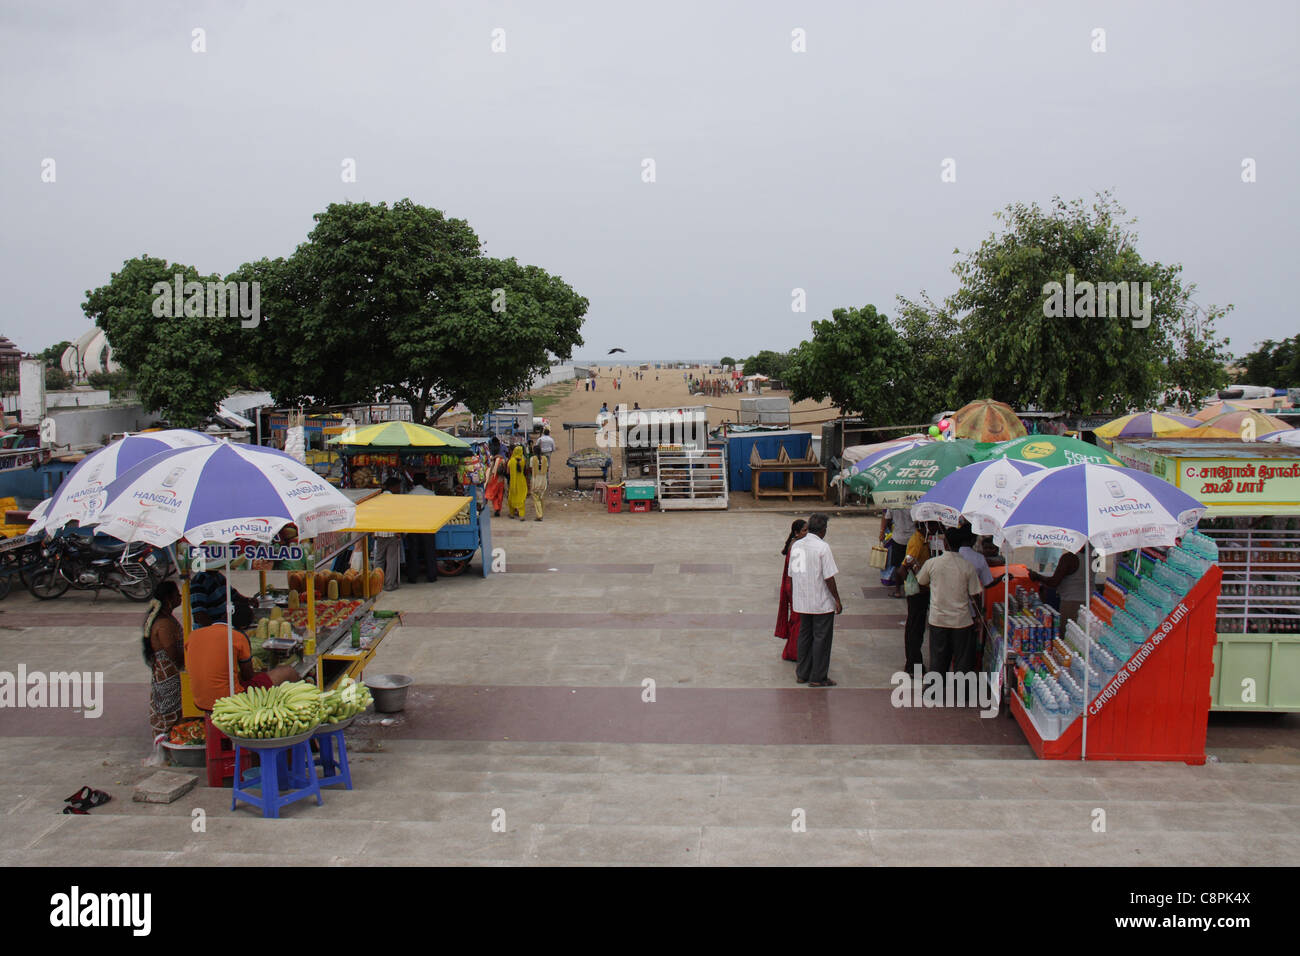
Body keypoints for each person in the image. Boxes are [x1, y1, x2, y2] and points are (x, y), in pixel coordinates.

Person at [185, 611, 299, 712]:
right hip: (231, 699)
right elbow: (248, 676)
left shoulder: (193, 635)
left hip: (200, 701)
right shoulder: (237, 636)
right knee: (288, 672)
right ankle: (294, 712)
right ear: (243, 627)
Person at [916, 526, 985, 681]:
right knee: (962, 660)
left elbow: (921, 582)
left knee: (938, 658)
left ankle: (934, 690)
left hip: (938, 619)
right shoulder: (967, 567)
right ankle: (961, 692)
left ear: (945, 544)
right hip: (961, 621)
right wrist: (978, 617)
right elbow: (975, 595)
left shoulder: (932, 563)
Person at [790, 512, 843, 687]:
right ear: (823, 530)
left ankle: (802, 673)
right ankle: (818, 677)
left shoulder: (796, 545)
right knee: (822, 638)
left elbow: (792, 574)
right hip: (820, 601)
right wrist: (836, 599)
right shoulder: (822, 547)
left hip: (802, 600)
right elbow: (829, 577)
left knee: (804, 636)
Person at [143, 580, 184, 736]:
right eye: (177, 595)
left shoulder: (166, 618)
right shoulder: (164, 624)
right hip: (169, 676)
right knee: (171, 714)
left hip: (167, 675)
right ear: (168, 599)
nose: (180, 597)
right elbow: (173, 654)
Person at [895, 521, 933, 675]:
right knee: (914, 628)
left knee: (917, 627)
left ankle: (914, 662)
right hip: (917, 593)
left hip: (921, 590)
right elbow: (903, 568)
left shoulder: (923, 541)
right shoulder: (917, 542)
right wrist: (914, 586)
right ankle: (913, 664)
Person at [775, 519, 807, 662]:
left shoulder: (795, 544)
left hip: (792, 585)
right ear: (796, 533)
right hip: (794, 586)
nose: (807, 533)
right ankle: (793, 652)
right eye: (804, 531)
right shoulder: (797, 547)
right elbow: (797, 572)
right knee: (797, 620)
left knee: (797, 620)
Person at [1029, 547, 1086, 624]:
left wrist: (1037, 577)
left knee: (1067, 630)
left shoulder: (1069, 558)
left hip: (1071, 602)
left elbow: (1054, 582)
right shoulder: (1093, 555)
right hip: (1088, 600)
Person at [405, 474, 439, 584]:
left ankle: (412, 577)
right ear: (424, 482)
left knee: (413, 552)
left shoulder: (408, 495)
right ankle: (432, 576)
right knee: (429, 551)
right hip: (427, 526)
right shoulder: (430, 494)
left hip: (413, 527)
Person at [374, 476, 404, 590]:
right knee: (391, 559)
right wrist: (399, 531)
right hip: (392, 532)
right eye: (398, 487)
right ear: (394, 487)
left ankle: (377, 584)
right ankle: (390, 584)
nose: (399, 489)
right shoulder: (395, 500)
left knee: (379, 559)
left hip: (379, 532)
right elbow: (397, 516)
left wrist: (373, 531)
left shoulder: (378, 498)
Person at [506, 445, 529, 519]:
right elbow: (525, 471)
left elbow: (508, 472)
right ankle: (521, 515)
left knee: (511, 498)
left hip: (513, 482)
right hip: (522, 482)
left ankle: (512, 513)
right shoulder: (523, 460)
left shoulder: (511, 461)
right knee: (521, 499)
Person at [528, 442, 549, 521]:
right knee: (541, 498)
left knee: (536, 498)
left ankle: (539, 515)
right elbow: (547, 469)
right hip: (543, 479)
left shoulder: (532, 459)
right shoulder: (545, 458)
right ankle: (541, 513)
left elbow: (530, 469)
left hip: (535, 479)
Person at [484, 449, 508, 516]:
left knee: (492, 494)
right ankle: (498, 509)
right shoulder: (503, 460)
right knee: (500, 495)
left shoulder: (492, 459)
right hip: (501, 480)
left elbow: (490, 470)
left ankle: (495, 508)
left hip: (494, 480)